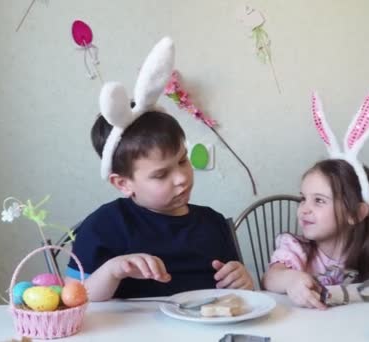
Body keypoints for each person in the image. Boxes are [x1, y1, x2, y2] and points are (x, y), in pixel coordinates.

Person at [65, 37, 253, 301]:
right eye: (161, 174)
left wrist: (241, 281)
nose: (181, 178)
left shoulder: (212, 224)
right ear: (122, 183)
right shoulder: (103, 227)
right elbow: (73, 298)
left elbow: (238, 296)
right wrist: (112, 271)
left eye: (182, 160)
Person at [262, 91, 369, 309]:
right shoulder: (296, 248)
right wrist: (291, 280)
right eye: (303, 199)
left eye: (319, 201)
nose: (304, 209)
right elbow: (271, 277)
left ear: (356, 213)